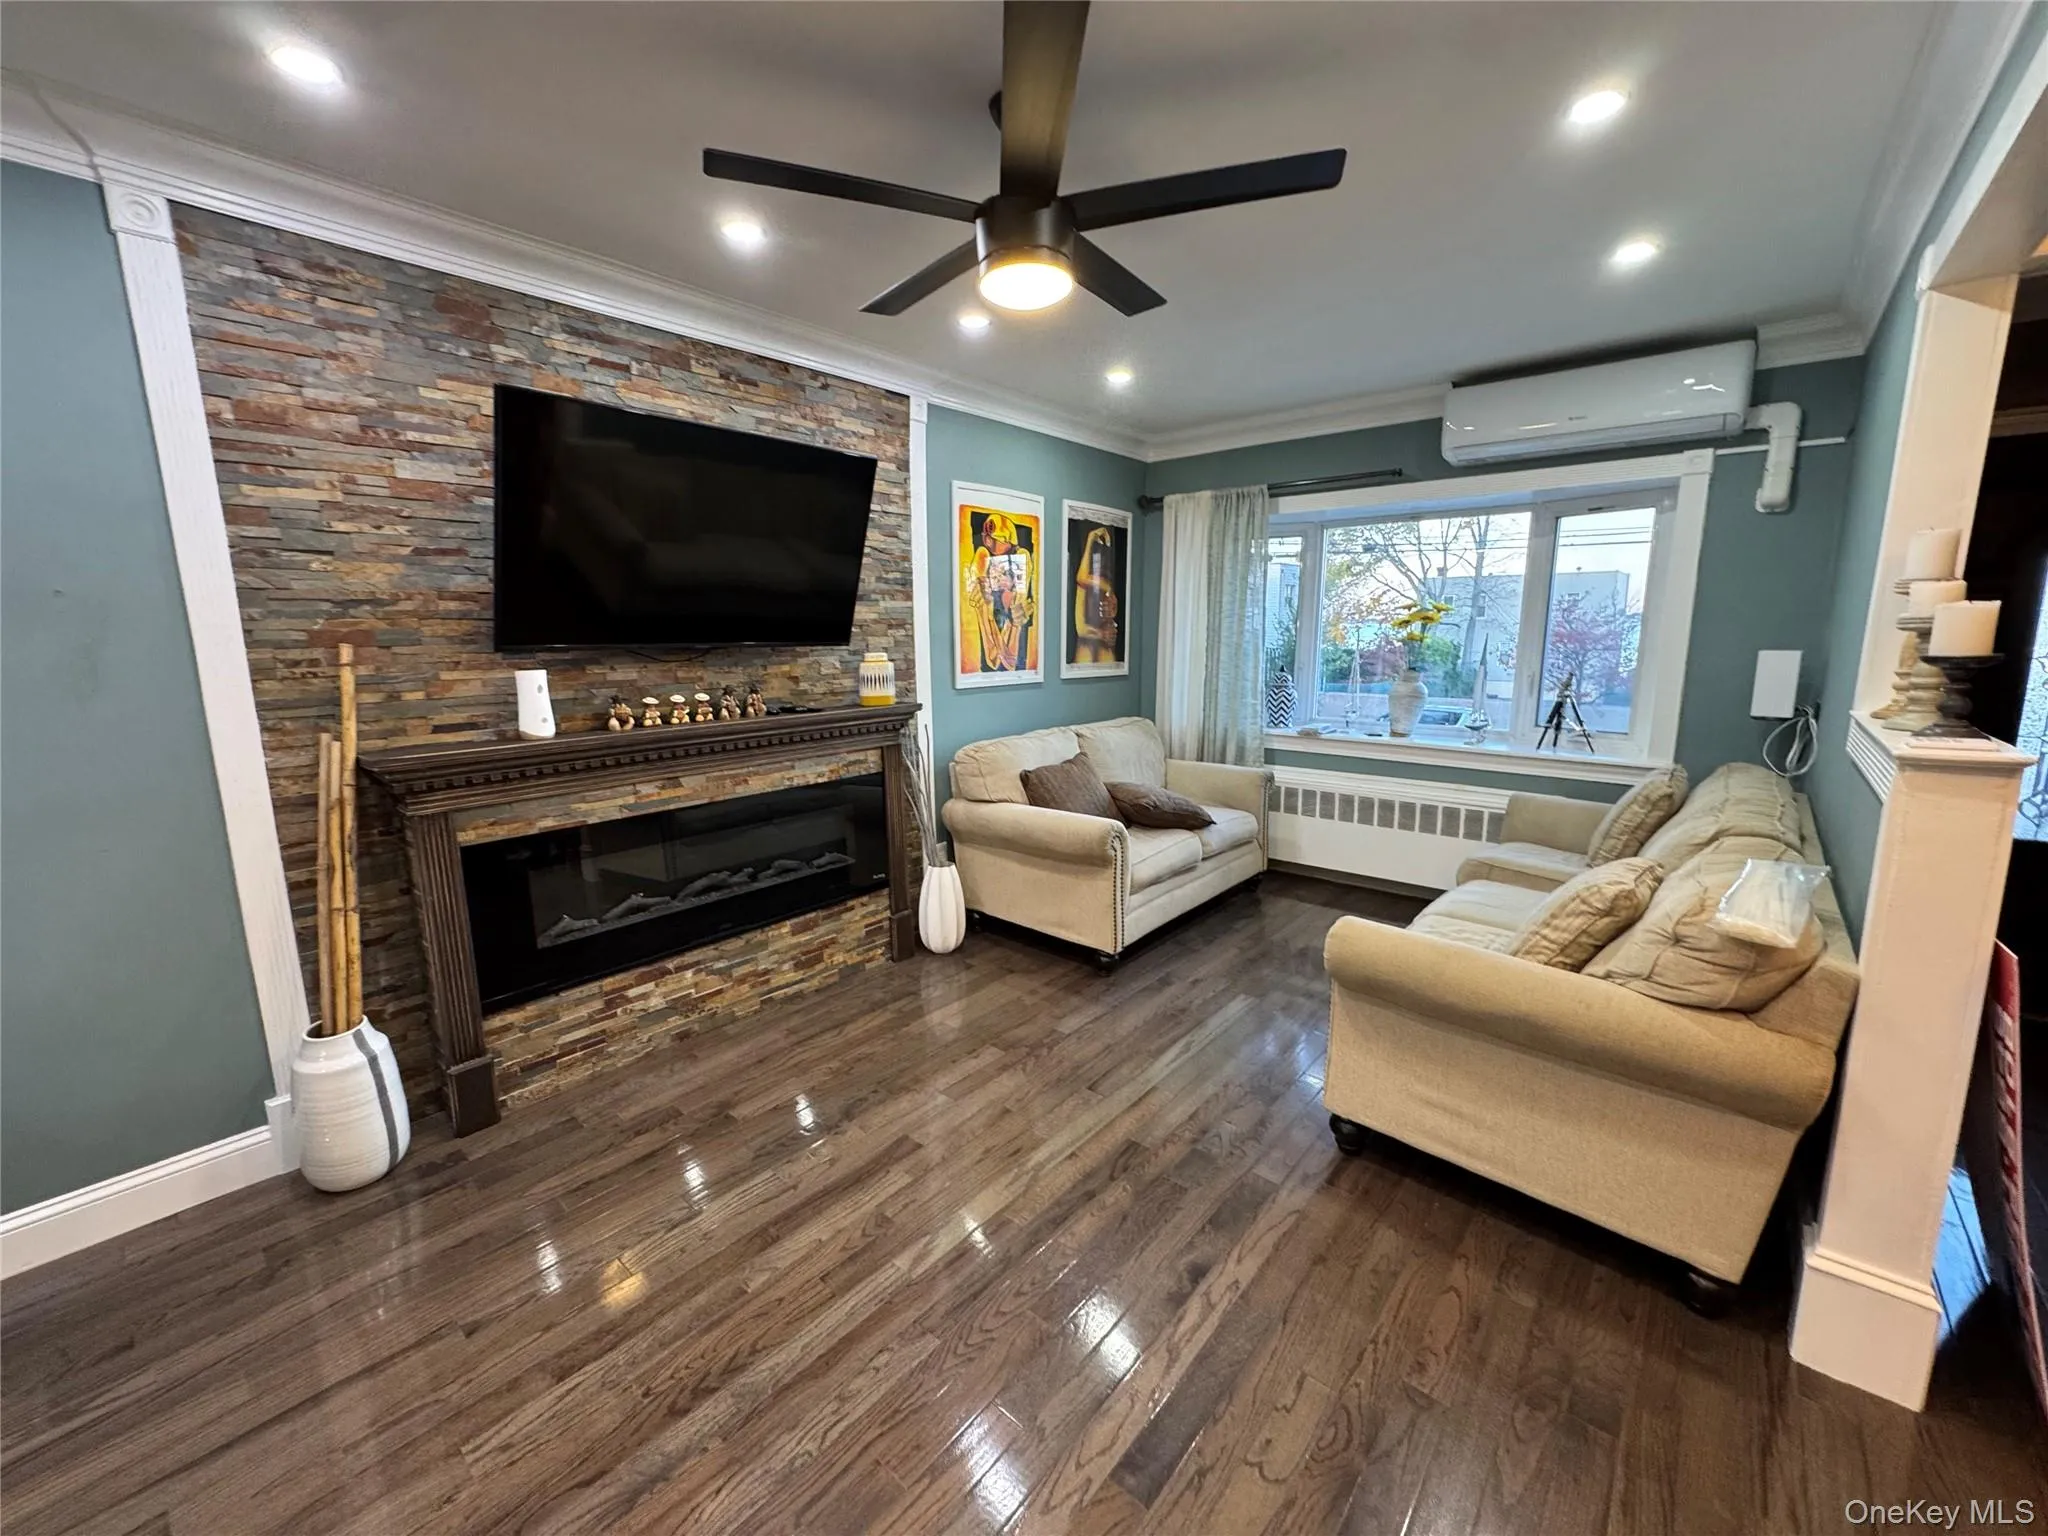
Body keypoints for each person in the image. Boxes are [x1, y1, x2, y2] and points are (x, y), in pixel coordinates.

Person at [963, 511, 1035, 672]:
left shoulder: (1022, 558)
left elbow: (1023, 603)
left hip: (1014, 639)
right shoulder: (982, 556)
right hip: (990, 637)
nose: (990, 541)